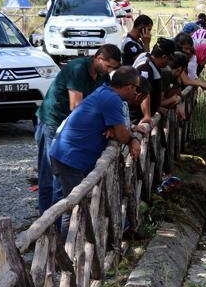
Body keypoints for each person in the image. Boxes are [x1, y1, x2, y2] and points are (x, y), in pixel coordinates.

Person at [49, 66, 142, 239]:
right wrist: (130, 137)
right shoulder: (112, 99)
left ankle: (71, 250)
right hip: (70, 157)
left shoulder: (104, 91)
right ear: (129, 86)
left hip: (67, 153)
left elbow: (119, 131)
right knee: (75, 208)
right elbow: (122, 134)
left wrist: (119, 131)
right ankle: (64, 256)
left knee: (76, 205)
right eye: (137, 88)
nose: (137, 92)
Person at [34, 45, 121, 214]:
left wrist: (110, 125)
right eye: (108, 66)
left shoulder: (103, 77)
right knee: (49, 174)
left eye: (113, 68)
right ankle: (45, 219)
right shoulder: (78, 69)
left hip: (70, 126)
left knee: (61, 176)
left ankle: (58, 217)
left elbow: (107, 100)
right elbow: (76, 106)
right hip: (53, 120)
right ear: (98, 58)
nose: (109, 70)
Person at [133, 38, 177, 122]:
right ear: (164, 57)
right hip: (138, 118)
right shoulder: (145, 67)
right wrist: (147, 115)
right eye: (169, 59)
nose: (168, 63)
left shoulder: (148, 59)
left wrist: (157, 108)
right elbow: (143, 92)